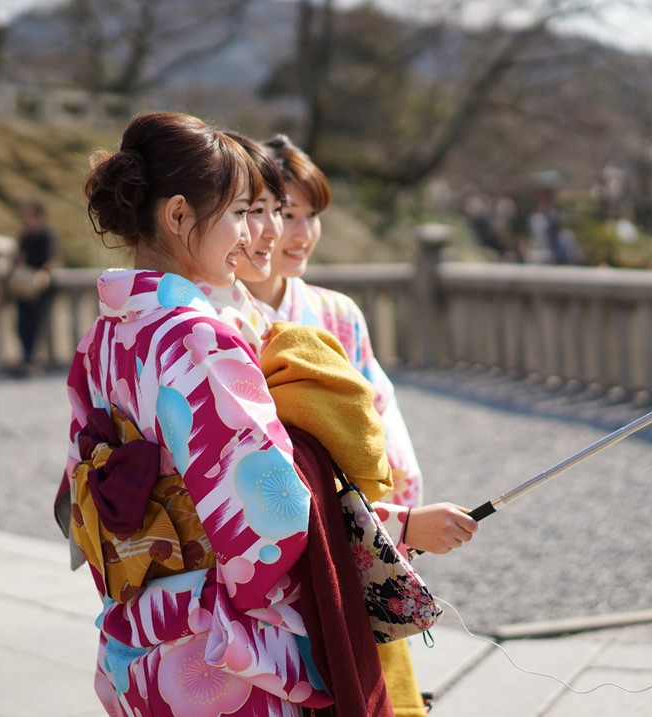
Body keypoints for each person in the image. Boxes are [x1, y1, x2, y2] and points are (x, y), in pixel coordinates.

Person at [61, 112, 391, 716]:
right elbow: (274, 516)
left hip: (140, 622)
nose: (250, 232)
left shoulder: (103, 336)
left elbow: (83, 496)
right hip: (217, 642)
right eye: (240, 212)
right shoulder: (196, 336)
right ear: (180, 216)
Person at [239, 135, 476, 716]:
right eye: (280, 214)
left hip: (355, 532)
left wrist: (397, 522)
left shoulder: (336, 313)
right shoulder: (221, 321)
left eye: (308, 215)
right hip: (279, 541)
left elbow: (382, 427)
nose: (296, 233)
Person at [10, 199, 58, 373]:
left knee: (36, 322)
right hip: (24, 285)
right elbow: (19, 258)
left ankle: (34, 358)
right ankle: (26, 356)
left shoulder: (47, 234)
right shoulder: (26, 235)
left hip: (38, 285)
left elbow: (49, 258)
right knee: (23, 323)